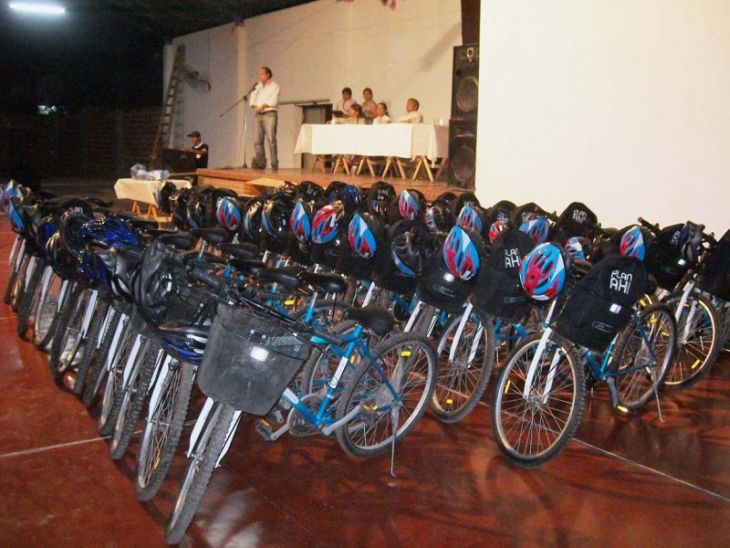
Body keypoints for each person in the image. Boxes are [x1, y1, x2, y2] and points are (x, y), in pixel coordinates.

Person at [249, 66, 280, 170]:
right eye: (259, 74)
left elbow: (273, 101)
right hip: (258, 114)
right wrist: (254, 106)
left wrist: (262, 106)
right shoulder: (257, 87)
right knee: (258, 141)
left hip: (269, 114)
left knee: (271, 140)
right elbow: (252, 98)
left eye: (262, 74)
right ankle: (261, 164)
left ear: (268, 75)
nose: (260, 76)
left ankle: (274, 164)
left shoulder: (274, 86)